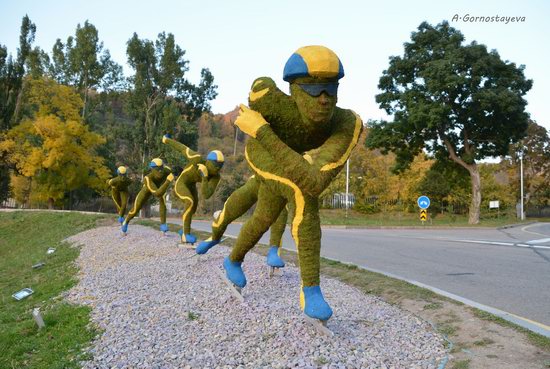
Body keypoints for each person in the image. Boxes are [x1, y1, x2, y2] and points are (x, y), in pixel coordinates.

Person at [223, 45, 363, 321]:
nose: (323, 99)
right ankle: (310, 289)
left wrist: (262, 130)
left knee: (265, 216)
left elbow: (316, 180)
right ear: (294, 90)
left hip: (280, 150)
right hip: (262, 151)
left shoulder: (348, 122)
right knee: (301, 193)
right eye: (313, 89)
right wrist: (260, 122)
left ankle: (233, 259)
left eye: (330, 89)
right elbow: (260, 89)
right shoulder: (275, 105)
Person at [195, 174, 288, 269]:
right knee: (230, 211)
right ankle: (214, 238)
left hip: (281, 186)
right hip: (259, 179)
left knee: (280, 212)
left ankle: (273, 250)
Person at [162, 134, 224, 244]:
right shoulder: (197, 159)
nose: (218, 168)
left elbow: (206, 194)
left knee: (193, 209)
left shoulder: (215, 177)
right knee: (189, 202)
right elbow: (182, 148)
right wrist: (167, 140)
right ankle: (186, 234)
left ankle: (183, 231)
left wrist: (204, 177)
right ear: (209, 162)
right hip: (181, 183)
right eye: (215, 165)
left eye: (220, 166)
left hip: (191, 185)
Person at [121, 158, 174, 234]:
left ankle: (163, 224)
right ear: (153, 169)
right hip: (147, 190)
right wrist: (168, 181)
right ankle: (126, 221)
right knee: (136, 208)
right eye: (158, 169)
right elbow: (156, 193)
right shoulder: (148, 178)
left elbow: (174, 172)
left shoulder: (167, 170)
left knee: (163, 201)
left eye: (161, 168)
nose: (160, 171)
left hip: (160, 188)